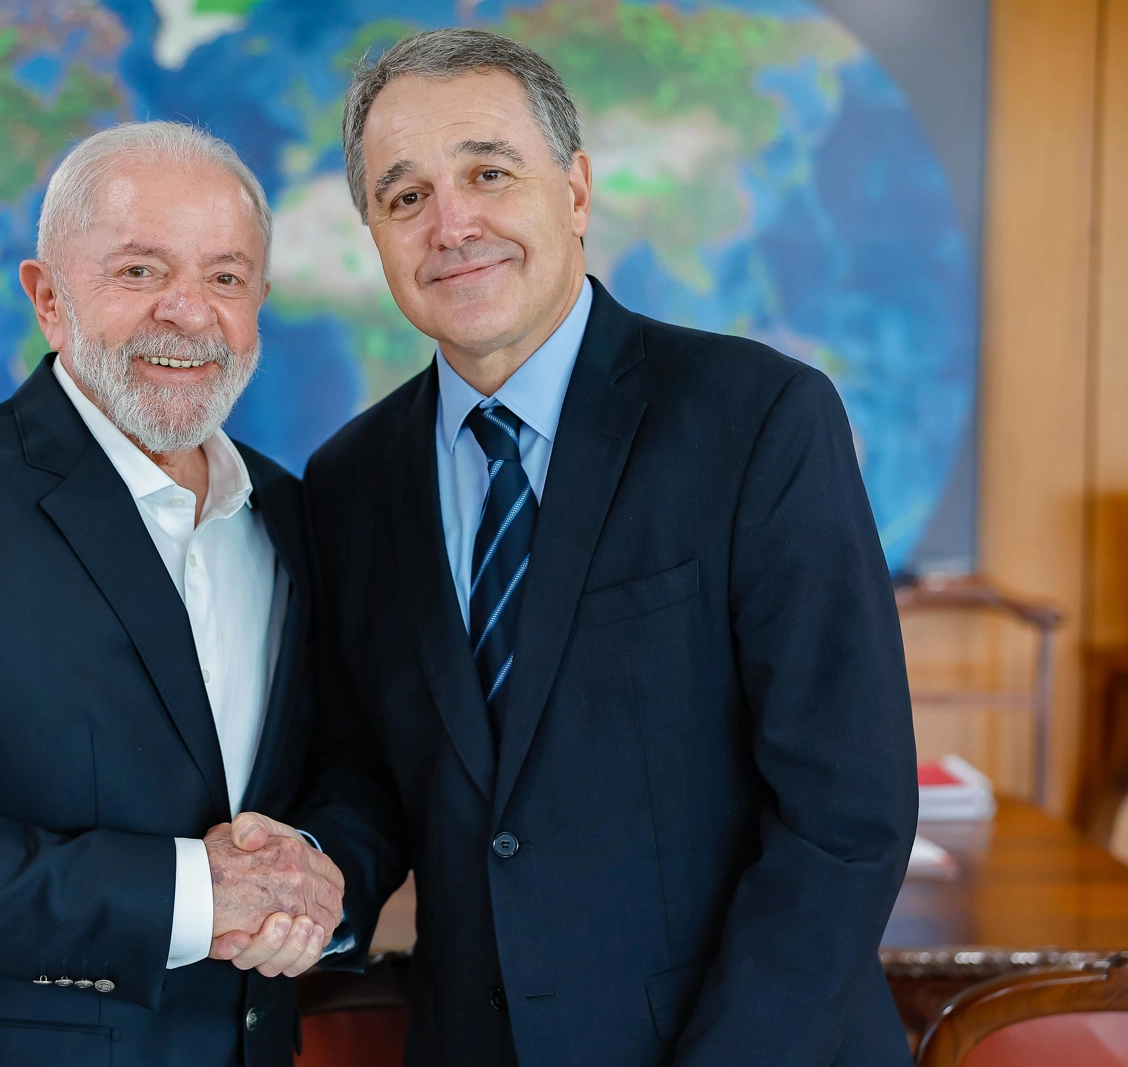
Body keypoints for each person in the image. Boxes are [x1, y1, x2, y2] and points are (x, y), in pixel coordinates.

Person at [240, 28, 919, 1066]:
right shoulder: (347, 483)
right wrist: (315, 875)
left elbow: (846, 813)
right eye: (404, 195)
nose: (450, 223)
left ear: (575, 189)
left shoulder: (756, 418)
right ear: (373, 232)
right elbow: (369, 772)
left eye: (487, 172)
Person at [0, 121, 343, 1067]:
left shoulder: (293, 514)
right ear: (48, 298)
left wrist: (316, 866)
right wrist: (196, 891)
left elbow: (349, 765)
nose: (189, 312)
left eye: (226, 276)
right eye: (139, 271)